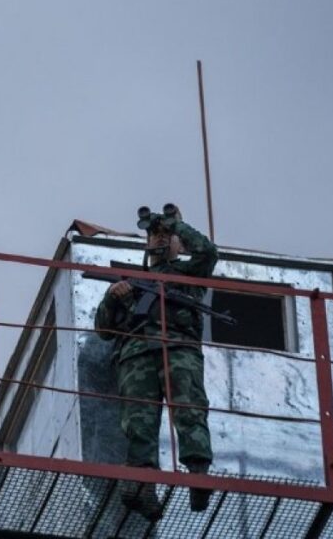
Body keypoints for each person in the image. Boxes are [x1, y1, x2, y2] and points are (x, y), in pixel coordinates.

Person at [93, 203, 217, 519]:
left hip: (178, 349)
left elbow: (208, 252)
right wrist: (112, 297)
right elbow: (104, 331)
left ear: (178, 241)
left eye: (166, 235)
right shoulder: (133, 279)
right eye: (154, 235)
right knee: (138, 422)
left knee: (188, 408)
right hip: (136, 355)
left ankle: (198, 474)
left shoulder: (190, 272)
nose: (160, 240)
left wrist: (176, 224)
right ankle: (142, 488)